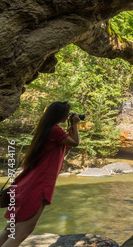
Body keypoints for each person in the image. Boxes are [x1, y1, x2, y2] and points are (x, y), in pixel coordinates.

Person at [0, 101, 80, 247]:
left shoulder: (46, 129)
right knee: (19, 235)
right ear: (60, 115)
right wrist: (75, 124)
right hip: (37, 188)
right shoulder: (55, 131)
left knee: (9, 231)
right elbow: (75, 143)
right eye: (67, 114)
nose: (68, 116)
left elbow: (68, 144)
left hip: (26, 185)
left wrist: (70, 127)